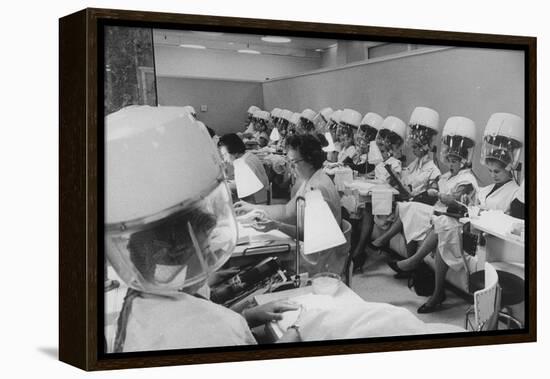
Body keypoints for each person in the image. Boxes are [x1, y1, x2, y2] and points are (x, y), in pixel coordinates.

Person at [105, 106, 299, 352]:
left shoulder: (141, 298)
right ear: (178, 255)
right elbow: (204, 328)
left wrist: (247, 316)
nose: (210, 254)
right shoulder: (213, 331)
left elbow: (192, 310)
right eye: (205, 246)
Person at [421, 112, 523, 313]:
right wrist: (468, 204)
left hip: (491, 242)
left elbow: (509, 222)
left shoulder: (514, 192)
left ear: (509, 170)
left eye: (498, 172)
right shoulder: (485, 189)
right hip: (474, 232)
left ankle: (436, 292)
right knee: (444, 226)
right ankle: (435, 290)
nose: (493, 176)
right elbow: (474, 208)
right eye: (491, 171)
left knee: (445, 227)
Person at [381, 117, 479, 281]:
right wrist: (431, 189)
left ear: (463, 161)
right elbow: (434, 187)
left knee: (420, 214)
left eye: (454, 161)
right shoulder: (447, 176)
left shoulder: (467, 179)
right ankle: (409, 264)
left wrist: (438, 194)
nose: (450, 164)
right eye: (449, 160)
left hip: (456, 219)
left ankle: (410, 261)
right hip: (439, 212)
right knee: (409, 209)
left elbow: (452, 200)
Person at [234, 133, 341, 238]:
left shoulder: (317, 189)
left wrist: (277, 226)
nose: (291, 166)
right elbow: (287, 211)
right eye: (289, 161)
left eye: (294, 161)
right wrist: (252, 208)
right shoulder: (311, 179)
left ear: (310, 159)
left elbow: (313, 235)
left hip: (318, 253)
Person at [218, 133, 270, 204]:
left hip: (257, 203)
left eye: (225, 155)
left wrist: (223, 186)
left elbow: (245, 191)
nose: (224, 159)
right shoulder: (248, 156)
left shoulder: (242, 164)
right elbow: (245, 182)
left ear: (235, 151)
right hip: (262, 196)